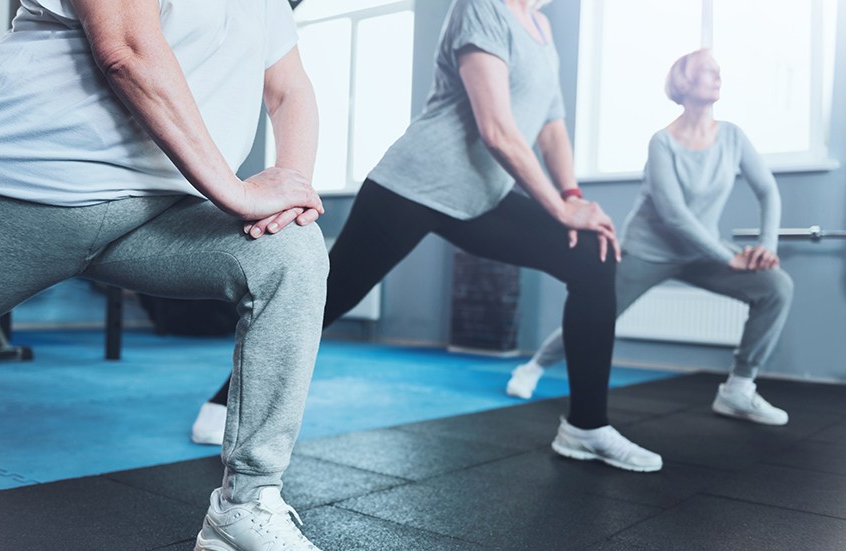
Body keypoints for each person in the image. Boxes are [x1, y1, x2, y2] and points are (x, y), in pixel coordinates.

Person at [0, 1, 347, 551]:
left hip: (156, 216)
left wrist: (288, 188)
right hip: (7, 197)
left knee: (290, 251)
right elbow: (127, 51)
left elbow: (288, 88)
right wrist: (235, 192)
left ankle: (247, 506)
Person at [193, 0, 663, 473]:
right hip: (413, 184)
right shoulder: (484, 8)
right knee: (327, 298)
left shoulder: (541, 29)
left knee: (594, 257)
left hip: (483, 196)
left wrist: (572, 196)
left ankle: (586, 427)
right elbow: (497, 129)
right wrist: (560, 209)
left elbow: (551, 129)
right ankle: (223, 400)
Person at [507, 48, 794, 426]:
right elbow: (674, 215)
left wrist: (767, 249)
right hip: (649, 251)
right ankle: (533, 367)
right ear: (684, 82)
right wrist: (728, 257)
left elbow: (768, 191)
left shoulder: (733, 137)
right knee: (597, 312)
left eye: (718, 70)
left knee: (775, 286)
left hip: (702, 249)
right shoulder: (663, 142)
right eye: (707, 70)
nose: (717, 75)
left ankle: (739, 388)